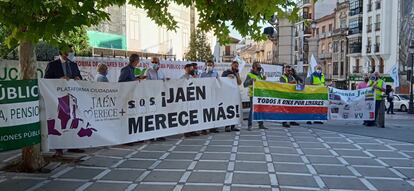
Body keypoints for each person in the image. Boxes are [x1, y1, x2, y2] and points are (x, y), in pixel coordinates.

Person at [44, 46, 84, 157]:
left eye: (72, 51)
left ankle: (72, 145)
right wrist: (59, 80)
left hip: (72, 97)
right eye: (69, 51)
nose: (71, 53)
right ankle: (59, 148)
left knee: (73, 120)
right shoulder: (52, 65)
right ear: (62, 52)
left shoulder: (73, 64)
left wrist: (78, 78)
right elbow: (46, 80)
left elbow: (80, 77)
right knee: (60, 121)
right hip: (57, 98)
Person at [244, 62, 267, 131]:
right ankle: (249, 125)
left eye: (260, 67)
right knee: (252, 110)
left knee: (260, 109)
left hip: (260, 94)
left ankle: (261, 124)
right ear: (254, 68)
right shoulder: (249, 75)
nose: (259, 69)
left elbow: (261, 84)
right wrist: (251, 80)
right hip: (253, 95)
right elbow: (244, 84)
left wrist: (264, 80)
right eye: (258, 67)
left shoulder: (260, 75)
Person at [200, 60, 220, 134]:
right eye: (208, 65)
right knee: (205, 112)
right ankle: (204, 128)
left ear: (213, 66)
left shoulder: (216, 73)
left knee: (213, 111)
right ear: (205, 66)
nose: (209, 66)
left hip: (213, 95)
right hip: (205, 95)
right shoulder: (202, 74)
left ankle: (213, 127)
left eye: (211, 65)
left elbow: (219, 82)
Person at [222, 61, 242, 132]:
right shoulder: (226, 72)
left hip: (234, 94)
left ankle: (233, 126)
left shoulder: (237, 73)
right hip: (227, 94)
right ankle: (227, 126)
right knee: (228, 110)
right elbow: (222, 80)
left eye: (237, 66)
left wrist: (236, 75)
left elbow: (239, 83)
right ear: (231, 65)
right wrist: (227, 76)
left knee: (234, 110)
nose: (236, 67)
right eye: (235, 66)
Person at [181, 63, 200, 137]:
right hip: (186, 99)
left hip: (194, 98)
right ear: (186, 69)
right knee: (186, 115)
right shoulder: (182, 77)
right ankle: (186, 131)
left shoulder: (195, 77)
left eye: (192, 68)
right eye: (190, 68)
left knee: (193, 115)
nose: (191, 70)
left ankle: (193, 130)